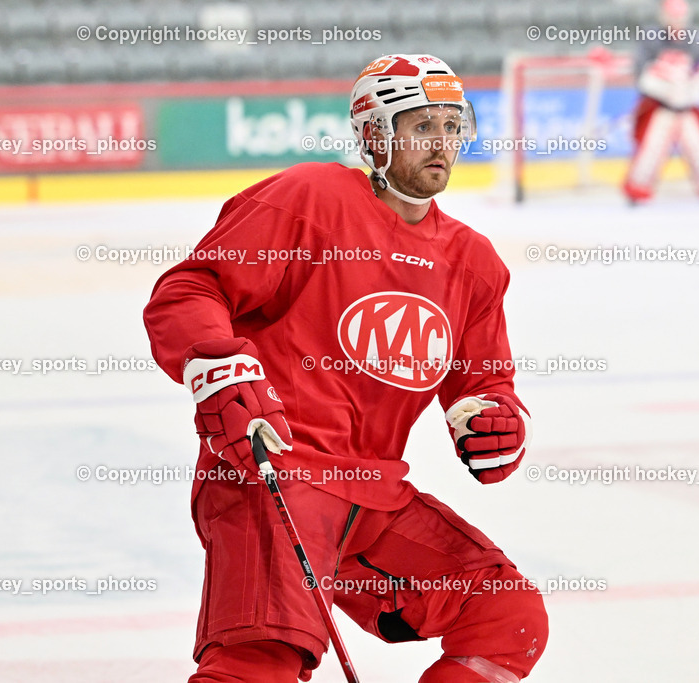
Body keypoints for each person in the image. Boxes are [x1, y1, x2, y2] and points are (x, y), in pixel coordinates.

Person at [144, 54, 547, 682]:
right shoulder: (310, 199)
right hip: (276, 475)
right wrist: (219, 366)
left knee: (506, 615)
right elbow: (190, 290)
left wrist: (495, 418)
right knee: (261, 660)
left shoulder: (473, 262)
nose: (441, 144)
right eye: (421, 126)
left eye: (451, 126)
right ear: (374, 135)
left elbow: (483, 379)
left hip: (373, 499)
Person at [623, 0, 699, 203]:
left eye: (680, 17)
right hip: (660, 107)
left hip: (687, 107)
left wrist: (693, 88)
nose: (677, 22)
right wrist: (660, 89)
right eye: (672, 17)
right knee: (650, 150)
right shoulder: (651, 39)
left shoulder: (695, 39)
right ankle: (637, 190)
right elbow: (641, 73)